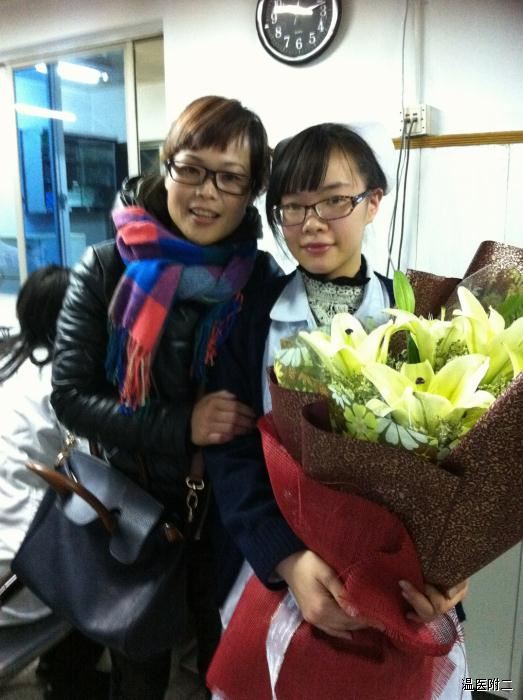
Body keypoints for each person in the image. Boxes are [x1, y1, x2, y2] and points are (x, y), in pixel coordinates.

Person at [202, 122, 470, 699]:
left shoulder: (418, 312)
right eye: (293, 207)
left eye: (333, 201)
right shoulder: (249, 317)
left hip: (398, 582)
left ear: (373, 203)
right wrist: (288, 561)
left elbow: (456, 464)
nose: (312, 222)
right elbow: (234, 455)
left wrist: (447, 571)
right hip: (278, 573)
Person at [50, 95, 275, 700]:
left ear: (252, 190)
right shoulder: (107, 266)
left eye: (230, 177)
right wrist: (183, 425)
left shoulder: (261, 281)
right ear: (166, 165)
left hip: (229, 520)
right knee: (139, 671)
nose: (206, 193)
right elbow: (70, 396)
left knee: (225, 670)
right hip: (136, 514)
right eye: (191, 169)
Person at [0, 264, 108, 699]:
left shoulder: (10, 362)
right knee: (105, 567)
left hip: (10, 549)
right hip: (17, 567)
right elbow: (96, 470)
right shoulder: (61, 382)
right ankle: (69, 681)